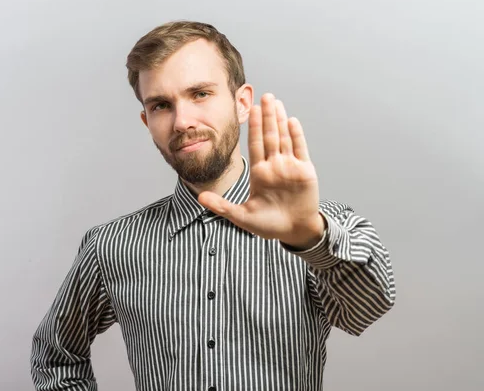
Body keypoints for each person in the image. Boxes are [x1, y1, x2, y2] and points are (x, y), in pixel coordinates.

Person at [30, 20, 396, 391]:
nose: (183, 121)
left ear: (241, 103)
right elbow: (55, 357)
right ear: (146, 120)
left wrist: (309, 237)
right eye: (161, 105)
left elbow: (370, 307)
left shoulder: (317, 227)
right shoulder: (111, 245)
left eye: (200, 93)